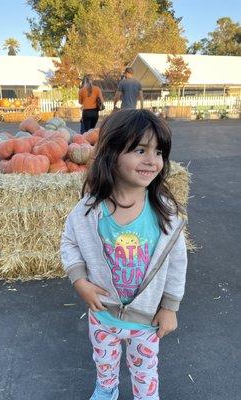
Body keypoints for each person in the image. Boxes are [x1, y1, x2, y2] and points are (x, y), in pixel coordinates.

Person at [60, 109, 188, 400]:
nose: (152, 160)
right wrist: (79, 280)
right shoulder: (89, 210)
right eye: (140, 150)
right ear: (111, 153)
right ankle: (107, 389)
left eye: (159, 152)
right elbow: (69, 242)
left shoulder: (165, 214)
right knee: (104, 363)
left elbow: (178, 261)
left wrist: (170, 306)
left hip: (146, 319)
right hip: (103, 316)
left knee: (145, 371)